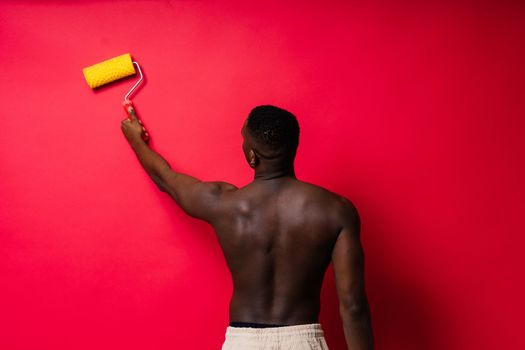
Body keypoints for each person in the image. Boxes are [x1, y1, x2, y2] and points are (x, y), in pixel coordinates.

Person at [121, 105, 373, 350]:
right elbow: (353, 306)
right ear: (293, 148)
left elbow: (166, 178)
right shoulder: (336, 210)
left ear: (252, 156)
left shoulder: (224, 204)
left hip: (243, 342)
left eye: (243, 140)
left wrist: (135, 140)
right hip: (304, 340)